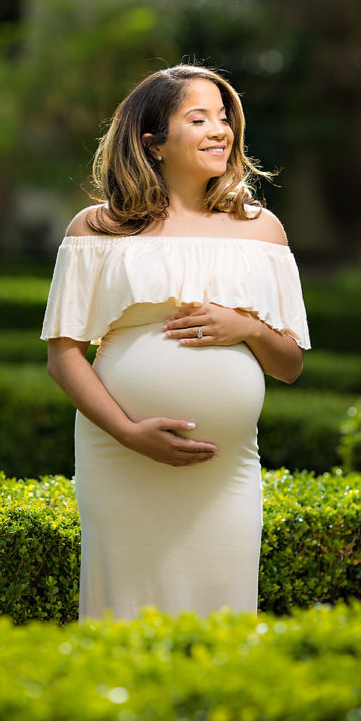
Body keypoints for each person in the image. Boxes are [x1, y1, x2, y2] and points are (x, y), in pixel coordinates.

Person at [41, 64, 310, 620]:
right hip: (119, 456)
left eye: (224, 118)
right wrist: (129, 434)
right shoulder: (97, 230)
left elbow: (289, 365)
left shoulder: (262, 230)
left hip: (225, 470)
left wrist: (250, 328)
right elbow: (63, 356)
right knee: (123, 612)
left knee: (224, 614)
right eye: (198, 118)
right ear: (152, 142)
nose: (221, 130)